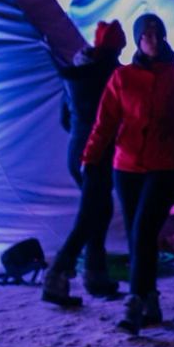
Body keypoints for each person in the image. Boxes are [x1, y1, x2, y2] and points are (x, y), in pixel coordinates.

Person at [65, 13, 174, 331]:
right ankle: (151, 300)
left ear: (164, 38)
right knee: (136, 236)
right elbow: (105, 123)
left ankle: (135, 301)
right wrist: (90, 158)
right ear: (138, 40)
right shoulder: (122, 78)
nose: (153, 41)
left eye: (157, 35)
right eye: (147, 36)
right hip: (127, 167)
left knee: (143, 231)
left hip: (165, 166)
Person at [45, 20, 126, 301]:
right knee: (90, 214)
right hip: (99, 153)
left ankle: (96, 274)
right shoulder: (113, 74)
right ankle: (58, 273)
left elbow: (65, 119)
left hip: (76, 150)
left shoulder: (75, 73)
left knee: (99, 211)